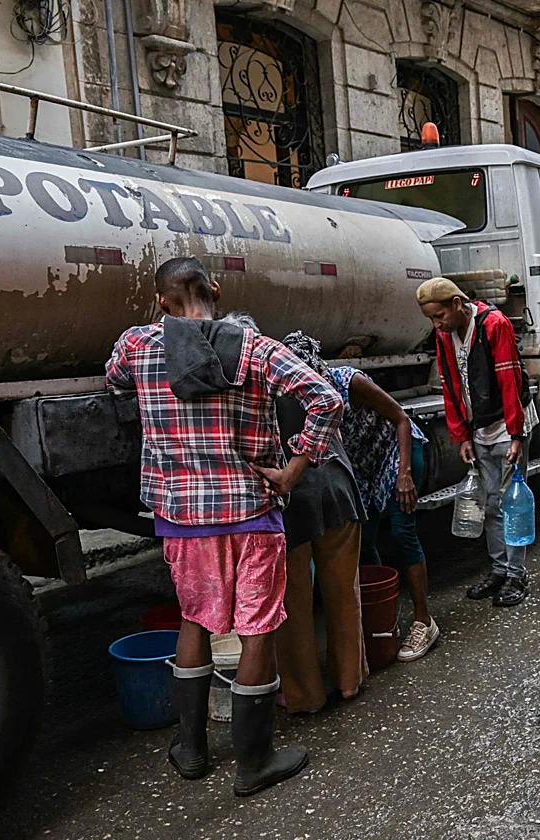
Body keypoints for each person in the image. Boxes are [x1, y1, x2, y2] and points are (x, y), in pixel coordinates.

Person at [105, 257, 343, 796]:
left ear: (161, 299)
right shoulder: (257, 348)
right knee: (256, 626)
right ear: (216, 288)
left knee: (196, 620)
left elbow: (113, 379)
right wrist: (294, 468)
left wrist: (158, 321)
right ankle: (253, 762)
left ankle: (191, 750)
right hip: (251, 513)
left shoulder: (140, 345)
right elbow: (325, 399)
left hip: (182, 515)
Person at [416, 278, 539, 607]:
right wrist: (461, 436)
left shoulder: (493, 324)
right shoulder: (444, 336)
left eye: (439, 315)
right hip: (480, 429)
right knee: (490, 506)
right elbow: (450, 384)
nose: (436, 324)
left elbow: (510, 378)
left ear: (457, 304)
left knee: (510, 505)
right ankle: (500, 569)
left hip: (507, 426)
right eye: (431, 319)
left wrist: (516, 434)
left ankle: (517, 574)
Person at [316, 340, 439, 663]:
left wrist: (404, 475)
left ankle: (424, 621)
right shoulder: (305, 398)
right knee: (363, 540)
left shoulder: (348, 381)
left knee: (402, 531)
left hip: (396, 453)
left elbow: (400, 418)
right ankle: (380, 617)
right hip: (363, 467)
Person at [267, 329, 369, 713]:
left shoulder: (259, 392)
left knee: (293, 604)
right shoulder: (320, 384)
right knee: (344, 593)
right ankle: (349, 681)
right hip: (340, 492)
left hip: (294, 498)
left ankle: (304, 696)